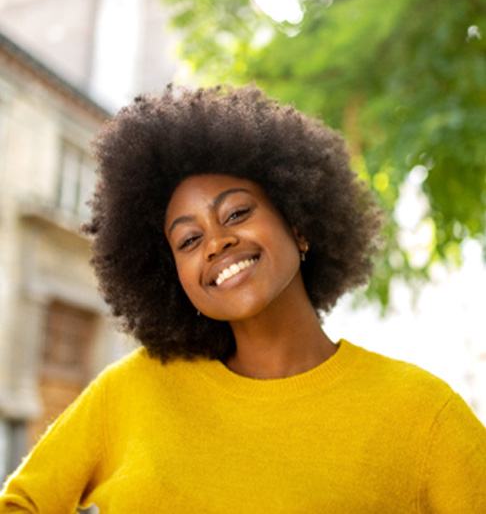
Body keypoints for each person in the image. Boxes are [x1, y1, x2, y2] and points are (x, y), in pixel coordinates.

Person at [1, 85, 485, 512]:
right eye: (188, 241)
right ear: (176, 281)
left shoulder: (422, 413)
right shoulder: (131, 391)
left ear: (298, 227)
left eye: (236, 213)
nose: (216, 243)